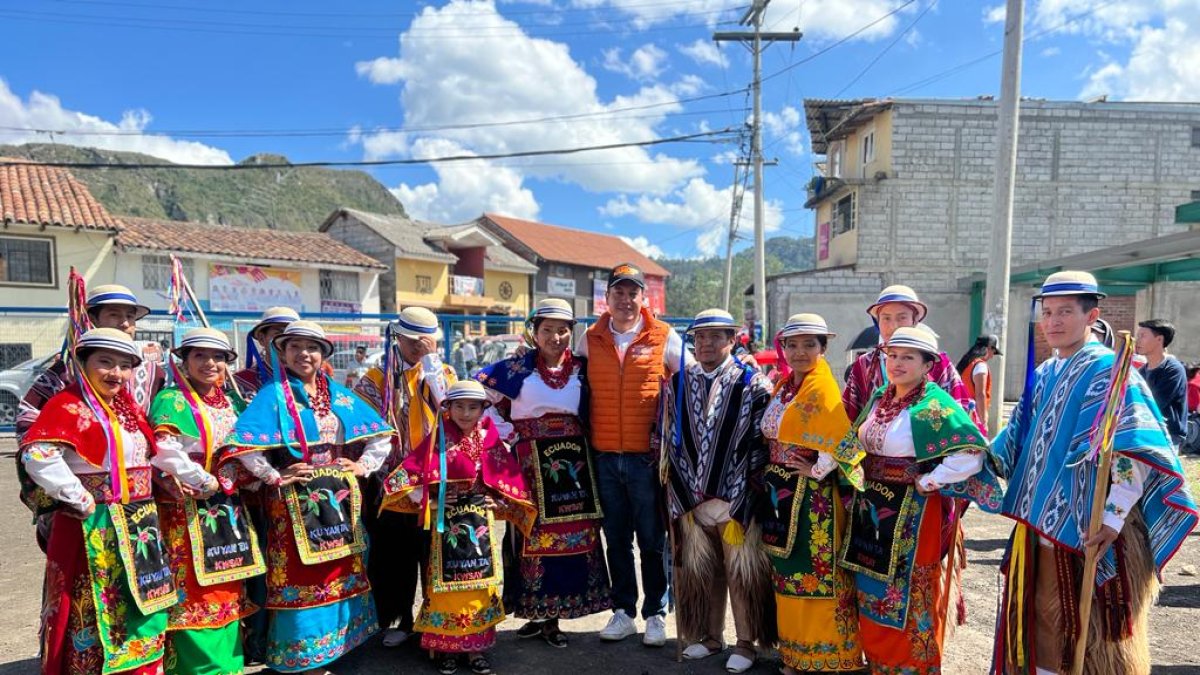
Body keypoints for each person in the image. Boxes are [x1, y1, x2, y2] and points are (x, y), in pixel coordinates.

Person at [991, 272, 1198, 675]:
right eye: (1047, 312)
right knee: (1040, 620)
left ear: (1091, 316)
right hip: (1040, 523)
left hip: (1093, 526)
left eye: (1065, 312)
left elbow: (1134, 448)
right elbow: (1013, 440)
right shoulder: (1046, 373)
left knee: (1091, 635)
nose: (1053, 321)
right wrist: (961, 459)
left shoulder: (1110, 370)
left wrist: (1113, 517)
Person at [222, 321, 394, 674]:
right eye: (295, 347)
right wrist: (274, 475)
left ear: (323, 354)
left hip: (339, 499)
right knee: (303, 575)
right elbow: (241, 445)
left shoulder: (337, 394)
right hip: (293, 504)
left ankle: (335, 647)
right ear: (282, 354)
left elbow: (381, 434)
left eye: (312, 347)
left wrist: (363, 466)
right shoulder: (272, 395)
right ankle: (303, 656)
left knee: (339, 568)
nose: (304, 354)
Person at [20, 328, 195, 675]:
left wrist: (172, 479)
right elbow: (37, 453)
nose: (116, 373)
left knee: (142, 606)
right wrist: (76, 494)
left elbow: (146, 455)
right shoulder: (68, 405)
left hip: (138, 524)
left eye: (125, 366)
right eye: (105, 362)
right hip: (94, 528)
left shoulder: (127, 409)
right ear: (83, 363)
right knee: (94, 608)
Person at [839, 326, 1002, 674]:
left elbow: (972, 452)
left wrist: (932, 479)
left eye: (908, 357)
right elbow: (852, 440)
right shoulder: (880, 398)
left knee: (909, 591)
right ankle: (880, 664)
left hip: (913, 511)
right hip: (872, 508)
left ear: (928, 365)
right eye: (892, 355)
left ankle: (913, 667)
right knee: (873, 585)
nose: (897, 363)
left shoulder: (933, 405)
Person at [476, 299, 613, 648]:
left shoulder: (582, 368)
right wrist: (508, 434)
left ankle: (554, 614)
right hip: (529, 465)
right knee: (532, 536)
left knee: (573, 536)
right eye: (547, 330)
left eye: (563, 330)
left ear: (572, 333)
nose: (555, 337)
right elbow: (479, 398)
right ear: (534, 333)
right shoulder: (517, 367)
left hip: (574, 465)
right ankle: (538, 613)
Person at [379, 380, 535, 675]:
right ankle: (445, 648)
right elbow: (406, 478)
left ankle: (476, 649)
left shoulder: (490, 438)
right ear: (447, 408)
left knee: (479, 586)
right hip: (445, 528)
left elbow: (506, 477)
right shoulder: (436, 440)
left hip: (480, 525)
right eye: (459, 406)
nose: (465, 413)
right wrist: (430, 501)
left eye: (473, 407)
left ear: (483, 409)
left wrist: (499, 502)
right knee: (445, 588)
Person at [576, 263, 686, 646]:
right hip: (604, 456)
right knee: (616, 538)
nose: (625, 300)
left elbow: (689, 383)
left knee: (652, 540)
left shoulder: (665, 337)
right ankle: (623, 611)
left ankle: (655, 613)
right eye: (618, 292)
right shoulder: (588, 338)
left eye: (632, 293)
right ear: (606, 298)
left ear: (644, 298)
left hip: (647, 459)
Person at [661, 309, 775, 674]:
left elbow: (761, 441)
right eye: (700, 336)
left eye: (715, 336)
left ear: (732, 340)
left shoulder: (753, 383)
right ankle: (710, 637)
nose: (706, 343)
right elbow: (667, 435)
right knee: (702, 570)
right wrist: (674, 479)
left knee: (741, 571)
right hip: (691, 496)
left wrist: (749, 488)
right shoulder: (678, 382)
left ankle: (745, 643)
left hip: (735, 494)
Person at [17, 284, 166, 550]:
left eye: (130, 316)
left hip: (140, 497)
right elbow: (30, 421)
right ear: (92, 318)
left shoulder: (153, 372)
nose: (124, 323)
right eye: (114, 314)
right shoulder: (66, 372)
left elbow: (159, 424)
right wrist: (63, 477)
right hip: (86, 496)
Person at [149, 328, 261, 675]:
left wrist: (260, 475)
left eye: (218, 357)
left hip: (228, 506)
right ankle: (196, 666)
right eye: (199, 355)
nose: (210, 363)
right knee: (194, 587)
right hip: (187, 509)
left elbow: (247, 448)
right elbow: (164, 450)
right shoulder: (171, 401)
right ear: (184, 361)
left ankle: (227, 664)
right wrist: (203, 479)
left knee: (227, 582)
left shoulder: (232, 402)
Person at [760, 314, 863, 673]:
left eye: (809, 344)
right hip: (781, 493)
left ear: (823, 348)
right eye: (793, 345)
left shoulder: (822, 388)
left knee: (817, 574)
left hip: (812, 501)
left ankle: (828, 658)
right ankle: (795, 655)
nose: (800, 352)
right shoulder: (786, 386)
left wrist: (817, 469)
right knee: (786, 573)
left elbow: (841, 441)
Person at [354, 307, 457, 648]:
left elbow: (450, 410)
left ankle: (434, 618)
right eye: (411, 341)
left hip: (435, 479)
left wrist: (430, 362)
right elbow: (364, 429)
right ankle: (400, 618)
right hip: (393, 482)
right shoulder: (375, 379)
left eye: (424, 342)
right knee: (395, 555)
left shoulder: (443, 372)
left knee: (433, 553)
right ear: (396, 338)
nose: (417, 348)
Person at [842, 285, 975, 426]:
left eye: (902, 318)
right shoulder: (864, 365)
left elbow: (959, 417)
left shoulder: (939, 365)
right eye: (886, 318)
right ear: (877, 322)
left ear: (915, 320)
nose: (893, 326)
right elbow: (849, 418)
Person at [1135, 318, 1188, 447]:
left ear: (1159, 339)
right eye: (1137, 335)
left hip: (1168, 435)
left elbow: (1154, 403)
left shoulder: (1173, 369)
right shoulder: (1142, 371)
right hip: (1146, 431)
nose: (1137, 340)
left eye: (1143, 336)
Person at [232, 306, 300, 400]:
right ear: (262, 339)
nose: (285, 341)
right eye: (278, 334)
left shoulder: (314, 380)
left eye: (292, 336)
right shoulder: (241, 382)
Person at [955, 334, 1001, 431]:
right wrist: (983, 421)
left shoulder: (966, 364)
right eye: (993, 352)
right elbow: (980, 394)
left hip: (961, 414)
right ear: (989, 348)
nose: (992, 356)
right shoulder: (980, 366)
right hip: (973, 416)